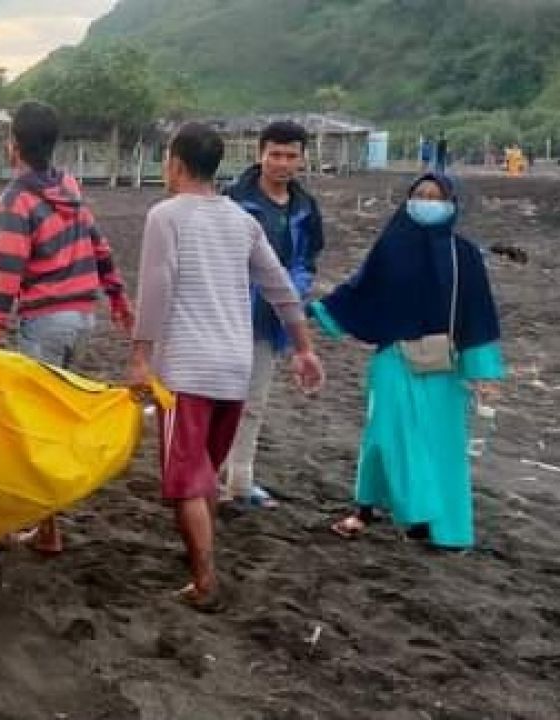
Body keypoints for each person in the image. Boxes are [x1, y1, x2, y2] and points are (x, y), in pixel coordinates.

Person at [128, 123, 324, 612]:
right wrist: (304, 348)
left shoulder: (165, 216)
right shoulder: (242, 220)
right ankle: (201, 557)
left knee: (185, 480)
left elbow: (156, 288)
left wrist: (141, 356)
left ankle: (204, 577)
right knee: (205, 473)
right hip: (234, 366)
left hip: (187, 369)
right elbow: (282, 287)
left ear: (174, 162)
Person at [0, 100, 134, 553]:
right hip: (82, 318)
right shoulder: (68, 186)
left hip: (45, 322)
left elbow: (6, 273)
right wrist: (118, 297)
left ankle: (46, 528)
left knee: (34, 428)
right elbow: (97, 243)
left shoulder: (16, 199)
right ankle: (48, 528)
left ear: (13, 146)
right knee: (53, 419)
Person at [321, 174, 504, 550]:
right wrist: (323, 309)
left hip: (444, 365)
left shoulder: (464, 254)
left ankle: (436, 525)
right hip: (393, 355)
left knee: (441, 443)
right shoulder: (391, 247)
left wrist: (483, 371)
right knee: (384, 437)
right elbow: (362, 289)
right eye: (419, 195)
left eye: (436, 197)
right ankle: (368, 509)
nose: (426, 202)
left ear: (452, 204)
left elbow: (478, 311)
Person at [220, 121, 325, 509]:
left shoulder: (305, 208)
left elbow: (308, 259)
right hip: (229, 314)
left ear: (302, 159)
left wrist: (291, 290)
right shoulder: (232, 201)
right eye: (275, 154)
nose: (282, 163)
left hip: (273, 318)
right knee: (218, 399)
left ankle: (240, 482)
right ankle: (207, 475)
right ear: (259, 154)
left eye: (291, 156)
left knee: (254, 400)